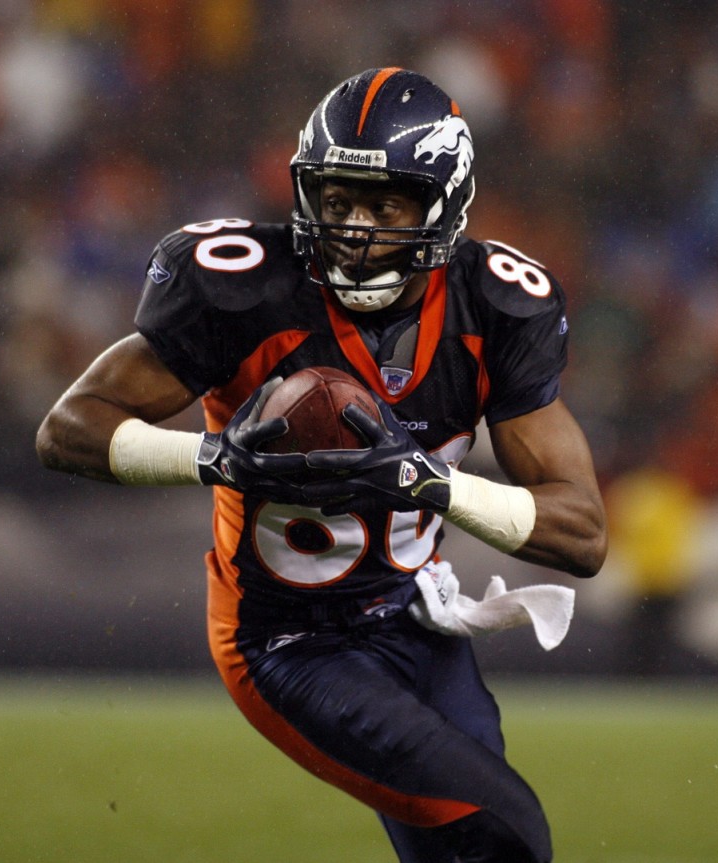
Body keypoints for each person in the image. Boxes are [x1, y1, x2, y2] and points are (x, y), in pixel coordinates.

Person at [37, 67, 607, 863]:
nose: (357, 228)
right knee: (506, 828)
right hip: (286, 642)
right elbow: (67, 429)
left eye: (387, 204)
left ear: (443, 205)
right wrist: (216, 458)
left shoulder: (496, 307)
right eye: (337, 200)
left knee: (466, 851)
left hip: (414, 621)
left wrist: (430, 482)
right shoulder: (246, 289)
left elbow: (582, 534)